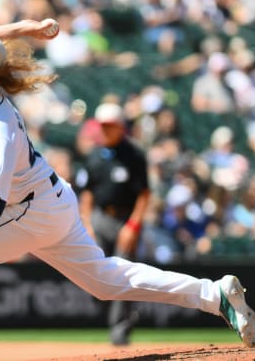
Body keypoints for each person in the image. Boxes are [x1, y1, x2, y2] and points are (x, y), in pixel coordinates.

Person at [0, 19, 255, 361]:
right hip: (50, 200)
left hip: (24, 210)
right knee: (106, 281)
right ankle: (215, 295)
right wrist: (24, 27)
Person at [78, 101, 151, 345]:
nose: (105, 130)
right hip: (99, 218)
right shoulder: (95, 156)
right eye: (102, 126)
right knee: (95, 274)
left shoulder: (134, 155)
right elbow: (87, 194)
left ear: (121, 127)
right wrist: (87, 224)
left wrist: (133, 226)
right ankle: (106, 323)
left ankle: (120, 331)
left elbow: (144, 194)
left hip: (124, 219)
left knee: (123, 275)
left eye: (110, 125)